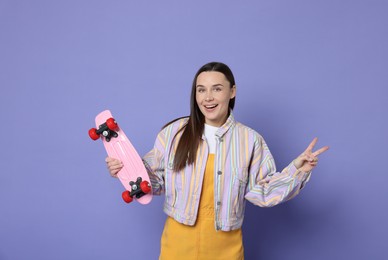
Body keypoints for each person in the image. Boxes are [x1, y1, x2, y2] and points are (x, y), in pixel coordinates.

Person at [106, 62, 329, 259]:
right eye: (201, 90)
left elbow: (263, 192)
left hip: (226, 248)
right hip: (177, 245)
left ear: (232, 92)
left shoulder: (250, 140)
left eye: (217, 89)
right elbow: (153, 181)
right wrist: (124, 169)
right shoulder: (174, 133)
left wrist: (297, 170)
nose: (208, 97)